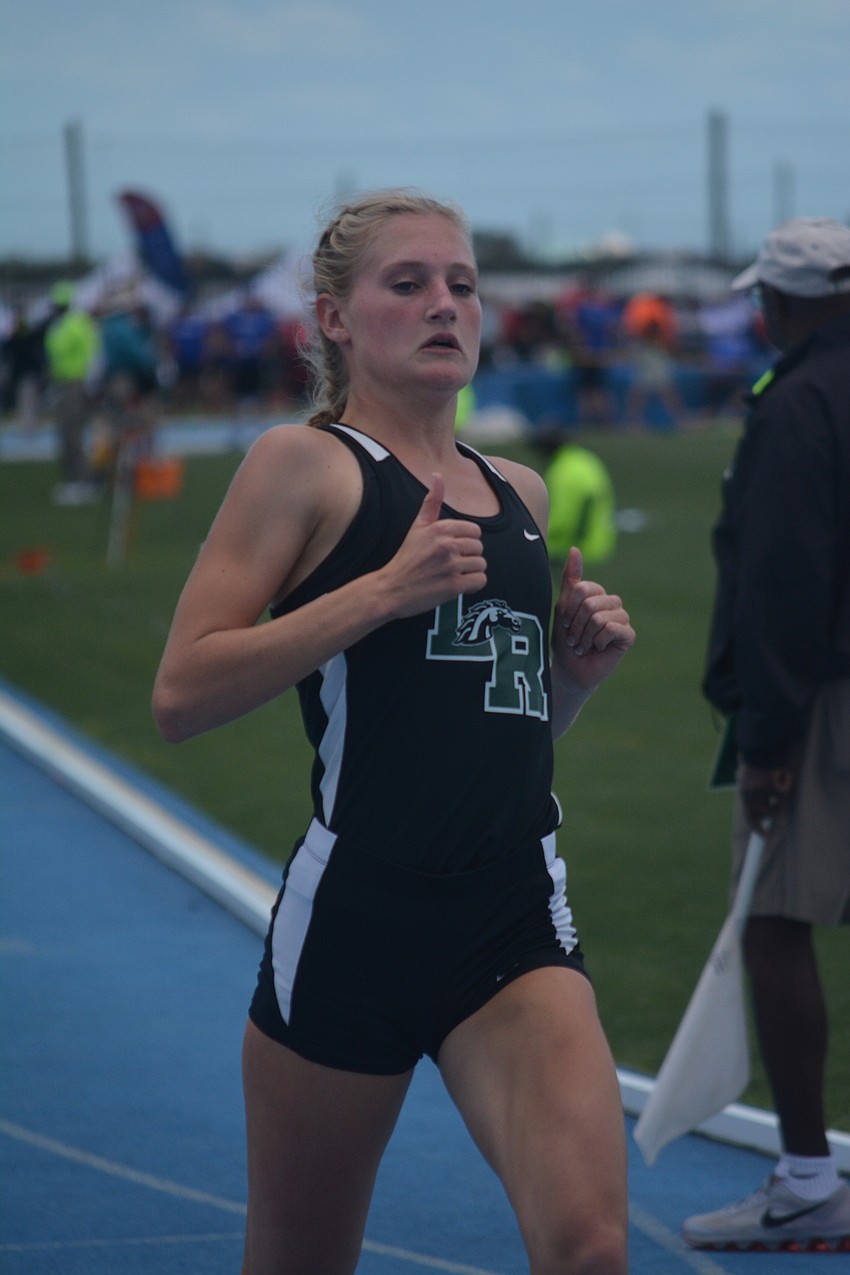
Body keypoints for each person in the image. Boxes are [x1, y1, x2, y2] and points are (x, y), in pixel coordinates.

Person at [153, 189, 635, 1275]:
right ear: (334, 319)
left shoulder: (515, 490)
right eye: (406, 283)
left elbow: (496, 728)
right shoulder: (304, 463)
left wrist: (574, 675)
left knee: (590, 1248)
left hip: (512, 910)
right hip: (357, 922)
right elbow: (181, 694)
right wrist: (379, 593)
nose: (442, 304)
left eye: (461, 284)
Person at [683, 217, 850, 1252]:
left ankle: (804, 1181)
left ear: (790, 303)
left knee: (773, 921)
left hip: (825, 695)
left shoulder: (796, 403)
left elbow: (784, 581)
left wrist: (767, 741)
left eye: (765, 298)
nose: (758, 314)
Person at [43, 281, 101, 504]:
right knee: (65, 433)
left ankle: (83, 482)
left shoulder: (76, 324)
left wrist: (90, 384)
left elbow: (92, 355)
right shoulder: (60, 325)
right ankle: (72, 479)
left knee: (74, 433)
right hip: (62, 384)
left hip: (75, 383)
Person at [536, 429, 618, 566]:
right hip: (601, 544)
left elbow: (561, 520)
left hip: (576, 551)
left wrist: (532, 533)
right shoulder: (585, 459)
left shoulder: (562, 471)